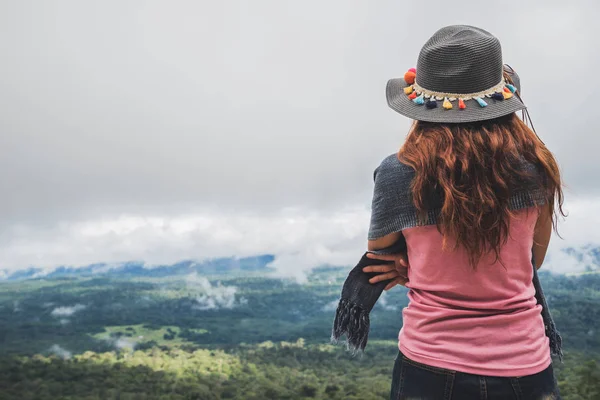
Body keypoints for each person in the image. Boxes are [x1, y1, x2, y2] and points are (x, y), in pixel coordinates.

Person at [363, 26, 565, 399]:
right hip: (527, 362)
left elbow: (381, 253)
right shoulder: (535, 168)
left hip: (429, 364)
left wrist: (412, 265)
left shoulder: (398, 172)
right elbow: (531, 260)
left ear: (421, 106)